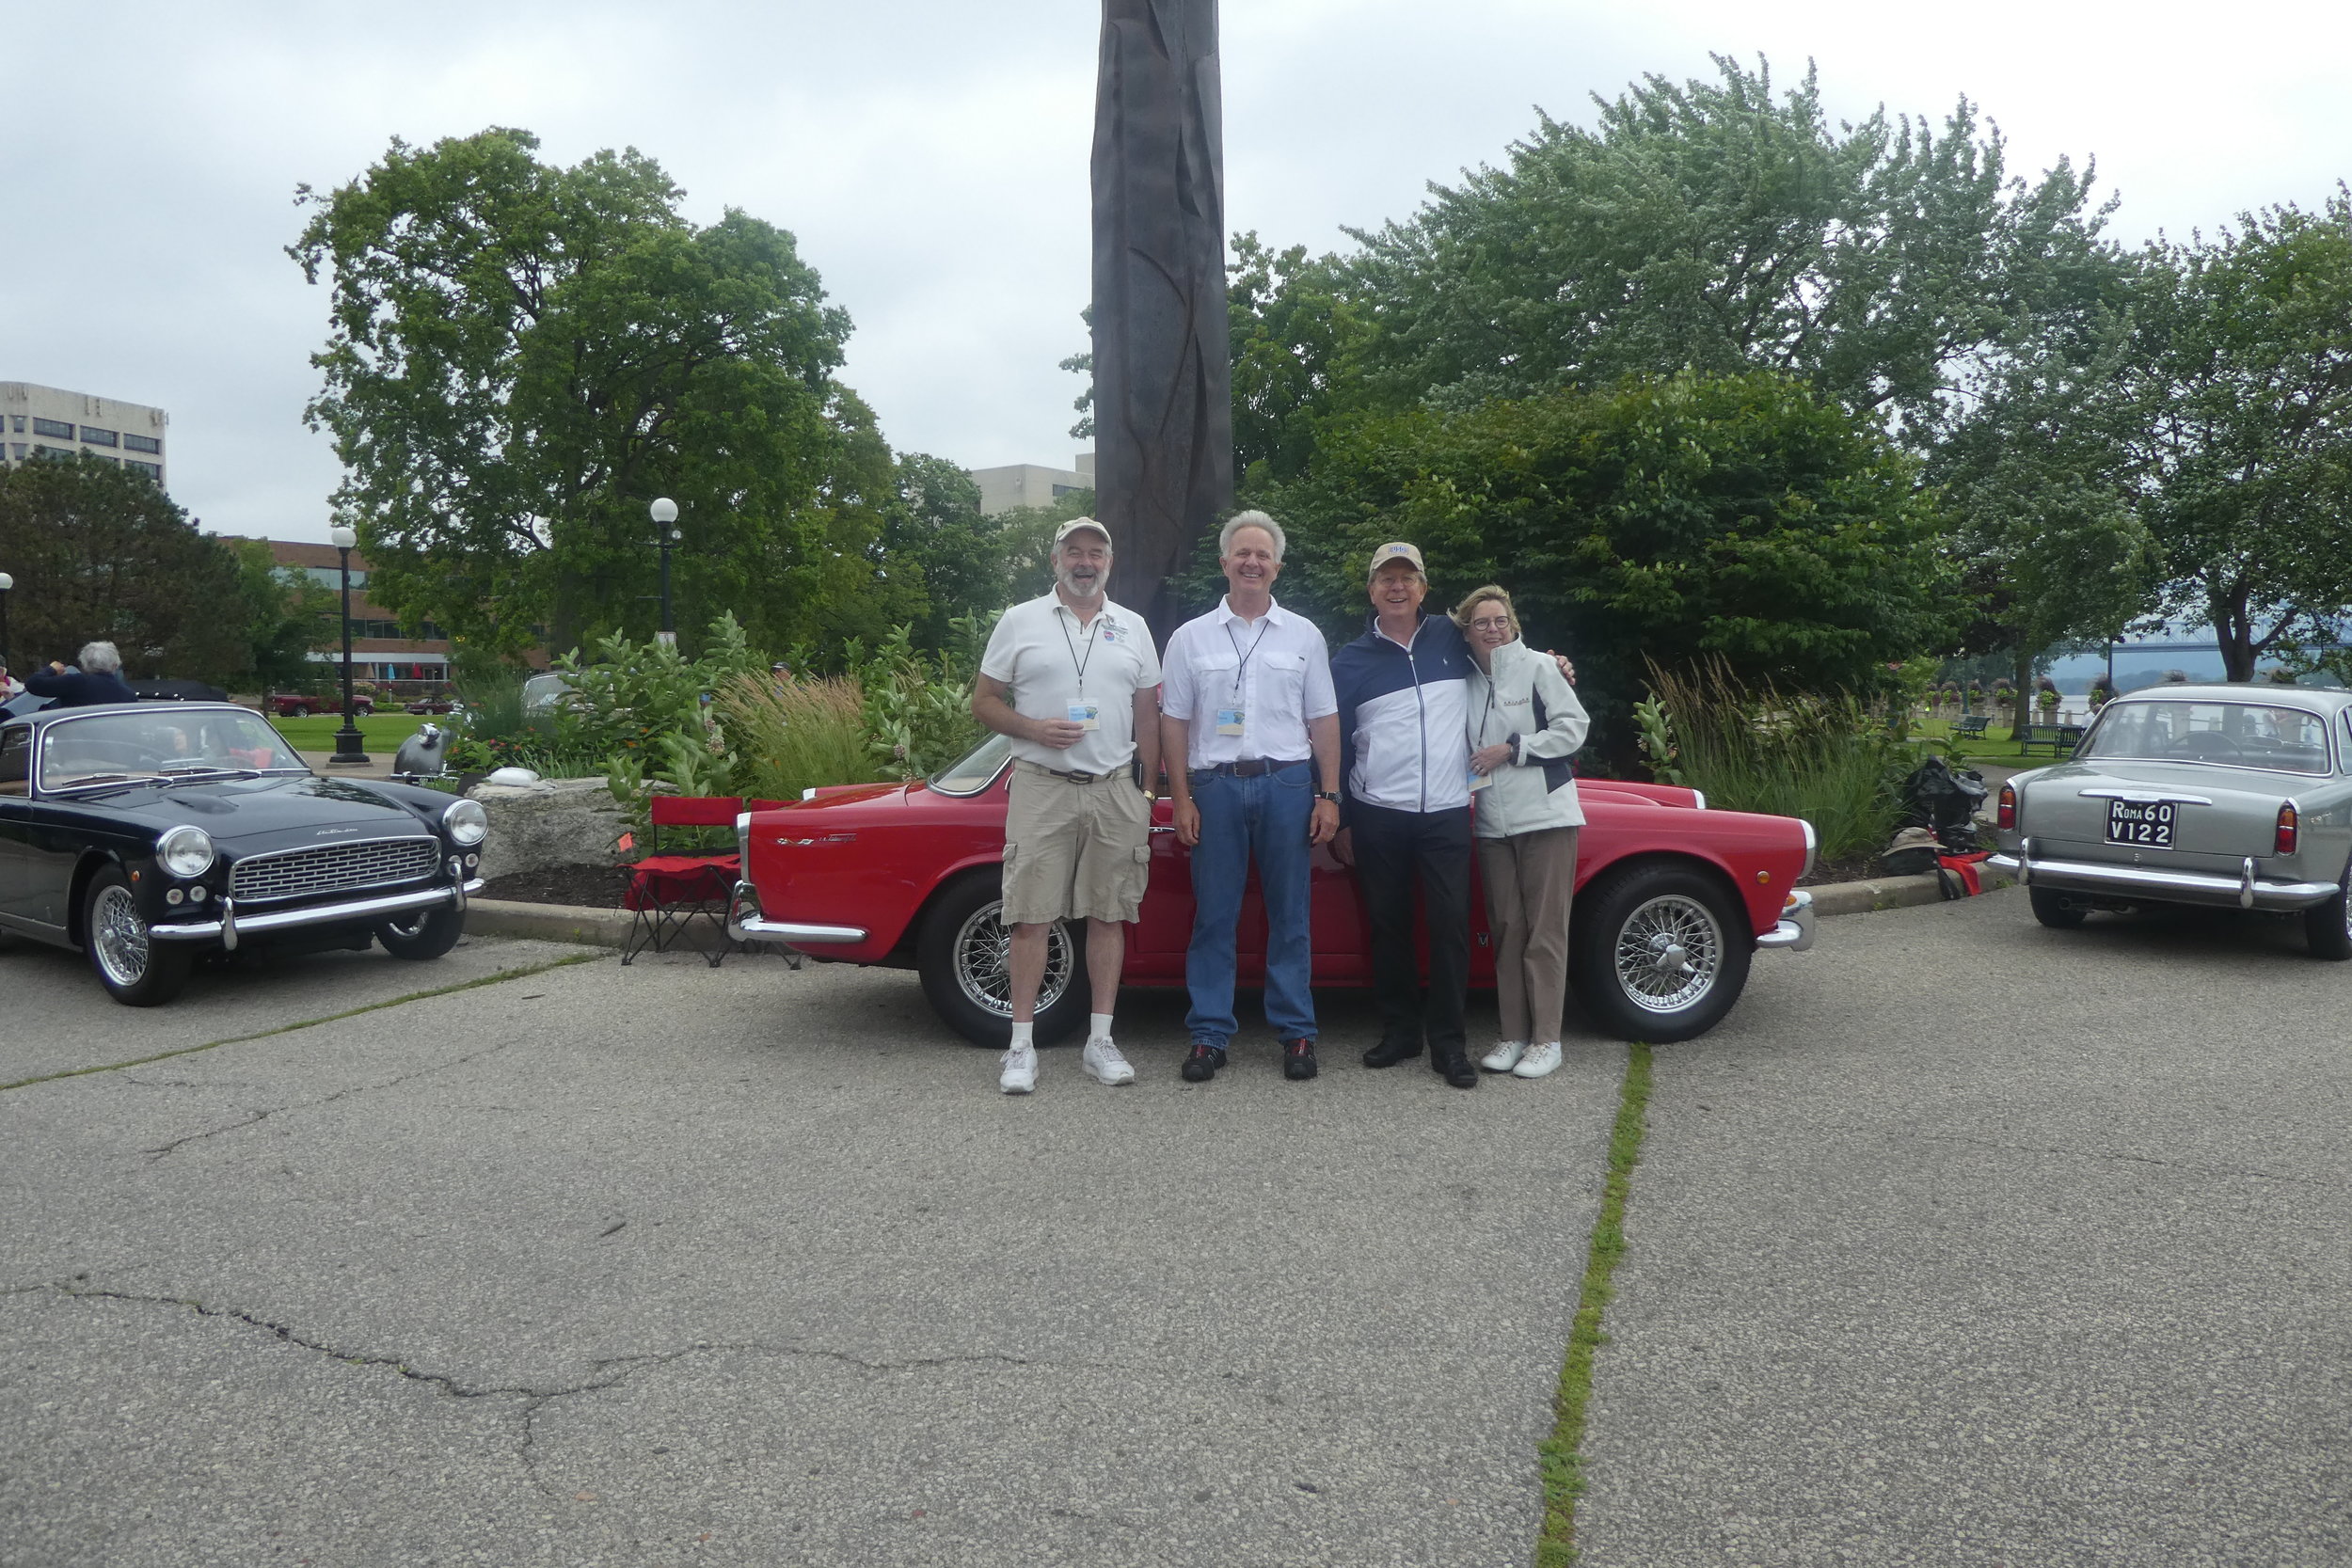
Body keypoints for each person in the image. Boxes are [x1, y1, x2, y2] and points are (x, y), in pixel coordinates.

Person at [971, 517, 1162, 1095]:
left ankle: (1099, 1042)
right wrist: (1031, 727)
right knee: (1030, 915)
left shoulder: (1132, 626)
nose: (1085, 561)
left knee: (1110, 914)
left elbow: (1148, 712)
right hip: (1042, 784)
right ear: (1055, 561)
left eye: (1096, 552)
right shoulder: (1019, 621)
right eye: (1074, 552)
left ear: (1109, 562)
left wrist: (1147, 790)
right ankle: (1020, 1047)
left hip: (1114, 787)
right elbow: (983, 702)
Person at [1159, 511, 1343, 1084]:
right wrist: (1181, 796)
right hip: (1214, 788)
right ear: (1224, 563)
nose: (1252, 563)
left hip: (1288, 783)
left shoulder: (1304, 635)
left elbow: (1325, 719)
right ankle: (1209, 1035)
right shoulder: (1190, 637)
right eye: (1243, 553)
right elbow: (1174, 723)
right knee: (1215, 916)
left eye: (1263, 555)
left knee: (1291, 915)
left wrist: (1329, 794)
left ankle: (1297, 1032)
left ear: (1277, 567)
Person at [1329, 543, 1481, 1088]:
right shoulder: (1348, 660)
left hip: (1444, 810)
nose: (1397, 587)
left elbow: (1506, 656)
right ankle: (1400, 1032)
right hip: (1378, 814)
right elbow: (1335, 743)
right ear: (1370, 591)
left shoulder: (1452, 637)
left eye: (1407, 578)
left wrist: (1554, 666)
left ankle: (1449, 1044)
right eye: (1386, 579)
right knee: (1387, 926)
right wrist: (1342, 817)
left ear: (1423, 587)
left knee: (1449, 928)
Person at [1458, 586, 1590, 1081]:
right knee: (1508, 930)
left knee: (1545, 932)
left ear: (1512, 624)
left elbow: (1573, 727)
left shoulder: (1539, 667)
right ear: (1466, 630)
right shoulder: (1466, 678)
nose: (1492, 629)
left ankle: (1547, 1040)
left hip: (1546, 816)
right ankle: (1512, 1034)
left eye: (1500, 621)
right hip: (1492, 823)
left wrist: (1513, 749)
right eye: (1480, 622)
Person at [24, 641, 137, 707]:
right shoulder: (129, 696)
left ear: (84, 664)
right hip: (115, 747)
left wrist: (52, 669)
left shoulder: (76, 683)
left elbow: (33, 684)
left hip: (75, 744)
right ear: (115, 665)